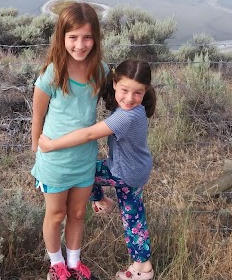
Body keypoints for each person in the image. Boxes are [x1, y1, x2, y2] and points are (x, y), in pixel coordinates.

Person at [39, 59, 156, 280]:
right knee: (133, 217)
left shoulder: (126, 115)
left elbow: (89, 134)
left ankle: (101, 201)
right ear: (114, 84)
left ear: (145, 91)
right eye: (125, 90)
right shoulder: (137, 110)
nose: (129, 98)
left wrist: (52, 144)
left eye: (137, 93)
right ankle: (143, 266)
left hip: (124, 172)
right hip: (139, 169)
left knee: (85, 171)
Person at [31, 2, 108, 280]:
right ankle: (56, 265)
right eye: (73, 37)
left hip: (84, 158)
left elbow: (118, 100)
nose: (80, 45)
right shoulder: (53, 73)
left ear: (96, 38)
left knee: (77, 213)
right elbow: (37, 116)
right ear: (61, 37)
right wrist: (37, 150)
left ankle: (74, 265)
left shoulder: (100, 70)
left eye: (87, 37)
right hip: (55, 159)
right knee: (55, 214)